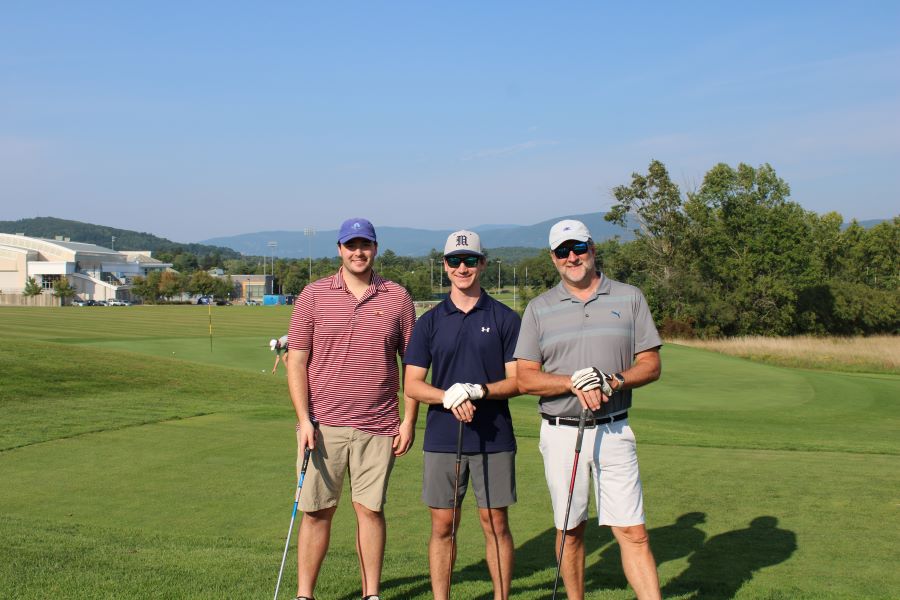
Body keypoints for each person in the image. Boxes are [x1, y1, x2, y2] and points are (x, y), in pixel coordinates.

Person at [514, 219, 663, 600]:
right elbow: (526, 379)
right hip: (561, 431)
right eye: (563, 251)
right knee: (571, 529)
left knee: (632, 530)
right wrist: (574, 381)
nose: (572, 257)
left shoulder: (629, 297)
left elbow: (650, 365)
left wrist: (611, 381)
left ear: (592, 249)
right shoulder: (539, 308)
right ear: (553, 258)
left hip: (614, 430)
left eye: (578, 248)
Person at [286, 217, 418, 600]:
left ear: (375, 249)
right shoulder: (313, 295)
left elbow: (412, 364)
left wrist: (409, 420)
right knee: (316, 513)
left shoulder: (397, 297)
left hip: (378, 426)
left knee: (370, 512)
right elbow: (297, 361)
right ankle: (305, 594)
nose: (358, 252)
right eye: (351, 245)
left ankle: (371, 594)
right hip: (322, 426)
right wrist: (303, 419)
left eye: (365, 245)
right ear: (340, 249)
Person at [404, 230, 521, 600]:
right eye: (454, 260)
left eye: (470, 260)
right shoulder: (430, 320)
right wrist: (448, 396)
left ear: (483, 263)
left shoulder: (504, 317)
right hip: (441, 436)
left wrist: (478, 390)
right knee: (443, 525)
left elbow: (518, 381)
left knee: (495, 523)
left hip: (494, 435)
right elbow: (412, 384)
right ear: (445, 265)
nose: (462, 267)